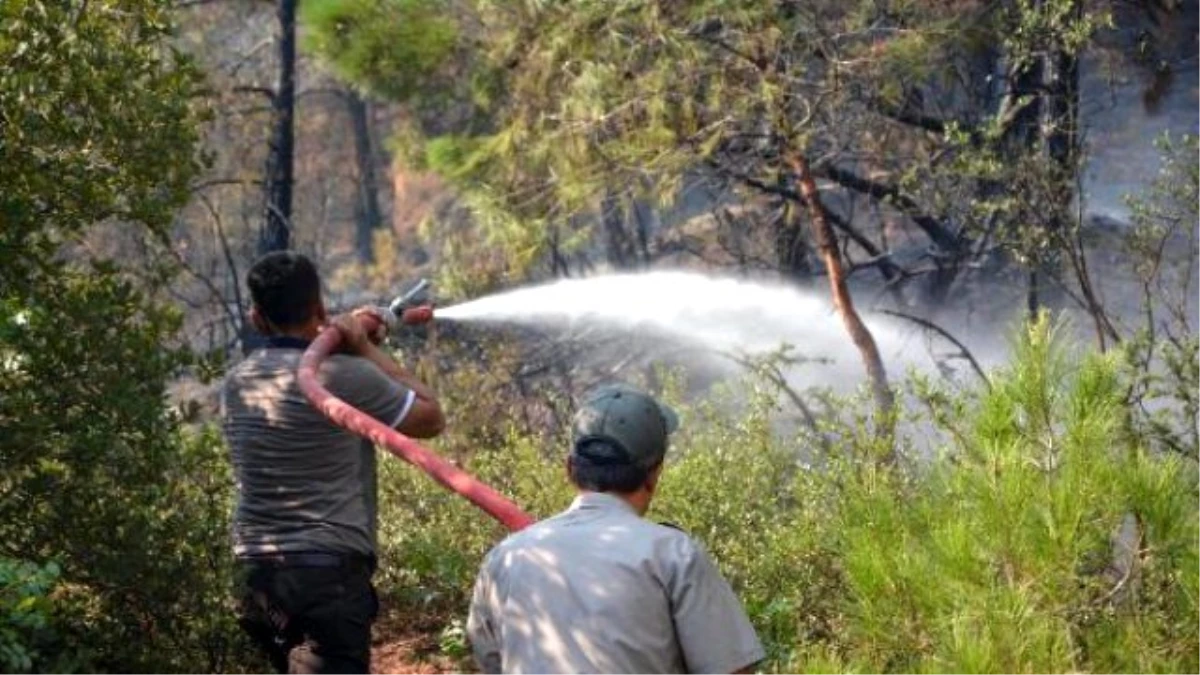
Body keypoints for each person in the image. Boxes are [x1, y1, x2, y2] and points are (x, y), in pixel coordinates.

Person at [220, 251, 444, 674]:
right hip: (325, 577)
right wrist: (363, 349)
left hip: (255, 578)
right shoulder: (341, 377)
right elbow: (431, 418)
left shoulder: (236, 383)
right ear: (320, 308)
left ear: (256, 318)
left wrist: (344, 344)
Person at [466, 384, 765, 675]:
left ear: (569, 468)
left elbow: (491, 661)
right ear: (655, 473)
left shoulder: (504, 557)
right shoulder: (674, 555)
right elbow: (732, 669)